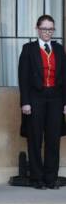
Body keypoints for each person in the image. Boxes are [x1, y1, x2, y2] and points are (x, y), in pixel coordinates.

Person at [18, 15, 66, 190]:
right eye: (44, 28)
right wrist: (25, 102)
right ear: (37, 29)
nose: (47, 32)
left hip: (55, 98)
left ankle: (50, 179)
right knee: (35, 138)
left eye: (51, 29)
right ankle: (37, 178)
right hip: (35, 98)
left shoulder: (59, 50)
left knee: (53, 139)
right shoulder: (28, 49)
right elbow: (23, 78)